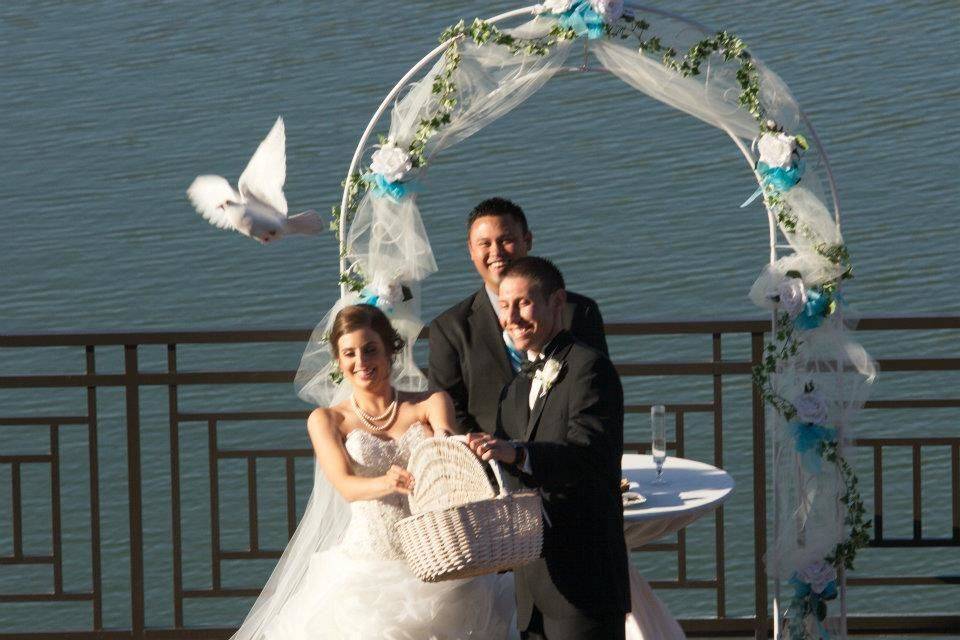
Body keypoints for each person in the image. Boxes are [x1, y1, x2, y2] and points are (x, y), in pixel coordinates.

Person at [231, 304, 514, 640]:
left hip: (435, 554)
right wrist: (385, 482)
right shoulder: (327, 420)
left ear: (391, 351)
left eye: (370, 350)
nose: (361, 362)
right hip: (369, 564)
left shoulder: (430, 403)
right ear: (338, 361)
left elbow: (446, 446)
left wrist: (463, 443)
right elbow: (347, 486)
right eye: (349, 353)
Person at [467, 256, 630, 640]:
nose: (512, 317)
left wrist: (519, 453)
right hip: (531, 585)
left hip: (585, 578)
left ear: (557, 303)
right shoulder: (514, 389)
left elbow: (588, 455)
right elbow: (507, 475)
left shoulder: (590, 369)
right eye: (504, 306)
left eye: (524, 303)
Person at [429, 197, 608, 436]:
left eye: (506, 240)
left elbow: (596, 393)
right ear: (471, 250)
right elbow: (448, 409)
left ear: (528, 240)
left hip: (564, 460)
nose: (496, 252)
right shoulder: (450, 328)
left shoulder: (576, 311)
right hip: (486, 464)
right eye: (485, 243)